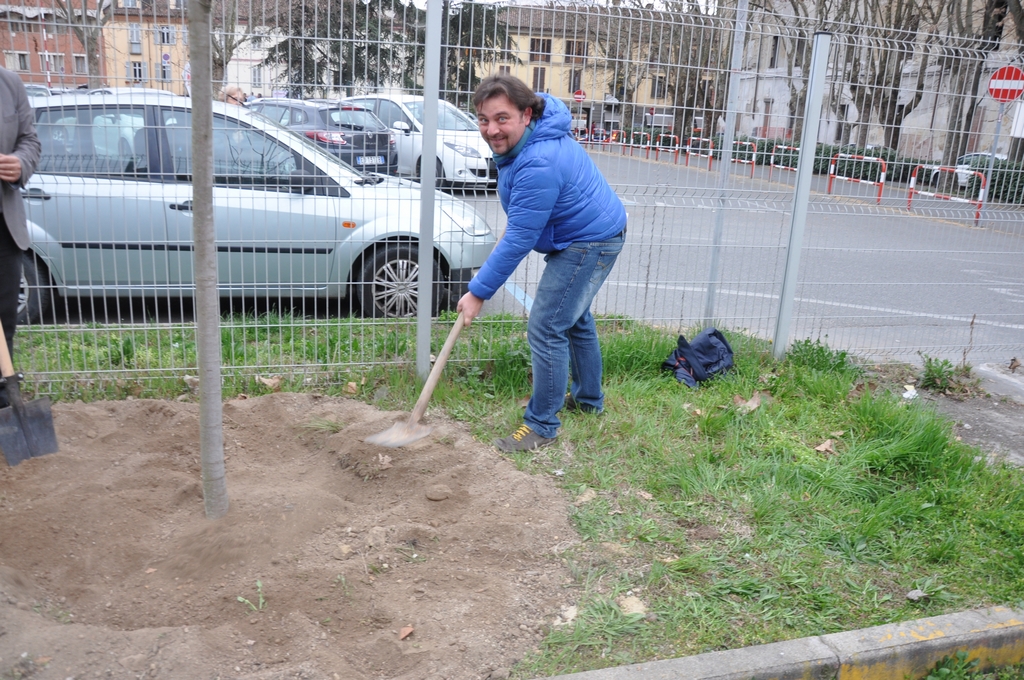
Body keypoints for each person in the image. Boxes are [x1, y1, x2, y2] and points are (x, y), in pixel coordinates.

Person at [457, 74, 627, 452]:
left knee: (547, 326)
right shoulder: (534, 138)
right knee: (574, 320)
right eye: (484, 119)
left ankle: (541, 426)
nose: (491, 129)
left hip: (590, 241)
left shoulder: (539, 161)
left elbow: (520, 236)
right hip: (593, 231)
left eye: (502, 118)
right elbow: (524, 219)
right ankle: (588, 400)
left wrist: (478, 291)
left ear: (526, 115)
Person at [0, 67, 42, 407]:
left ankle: (3, 402)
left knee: (4, 320)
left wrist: (20, 163)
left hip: (4, 225)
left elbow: (29, 139)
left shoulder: (9, 83)